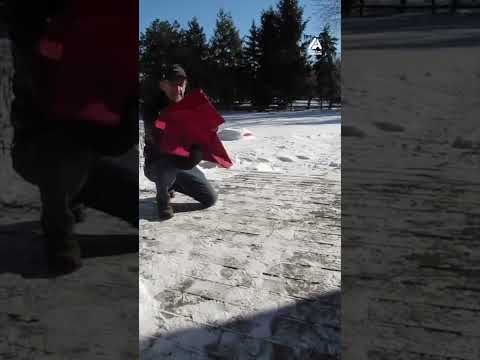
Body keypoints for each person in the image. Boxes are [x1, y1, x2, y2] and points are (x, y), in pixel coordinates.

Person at [6, 0, 138, 273]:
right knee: (58, 153)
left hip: (95, 149)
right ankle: (58, 230)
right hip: (47, 146)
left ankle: (75, 196)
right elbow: (39, 97)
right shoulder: (35, 30)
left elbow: (119, 138)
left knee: (138, 207)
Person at [142, 64, 217, 220]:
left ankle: (171, 184)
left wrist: (209, 128)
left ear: (186, 84)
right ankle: (163, 201)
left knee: (210, 199)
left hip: (182, 163)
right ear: (163, 85)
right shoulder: (151, 106)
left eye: (181, 83)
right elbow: (157, 136)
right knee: (165, 166)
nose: (178, 89)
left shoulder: (193, 105)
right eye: (172, 84)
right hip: (157, 164)